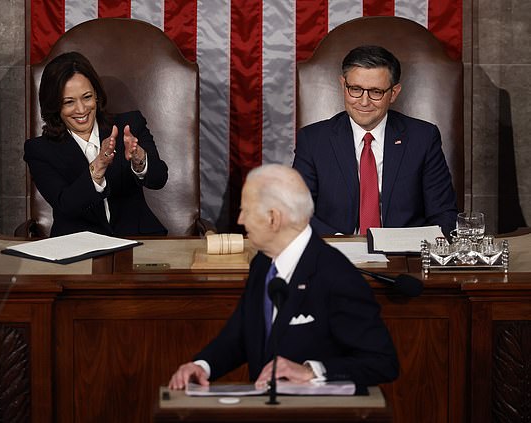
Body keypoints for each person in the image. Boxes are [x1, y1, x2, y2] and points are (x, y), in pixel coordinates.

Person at [168, 164, 398, 392]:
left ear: (273, 219)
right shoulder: (262, 263)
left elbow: (383, 362)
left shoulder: (336, 276)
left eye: (246, 210)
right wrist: (202, 366)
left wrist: (312, 371)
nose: (240, 220)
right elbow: (241, 333)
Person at [293, 45, 458, 236]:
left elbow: (444, 214)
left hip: (405, 258)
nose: (364, 101)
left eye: (376, 92)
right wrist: (341, 244)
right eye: (355, 89)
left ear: (394, 93)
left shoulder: (423, 138)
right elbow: (297, 212)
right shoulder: (313, 140)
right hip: (335, 255)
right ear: (342, 86)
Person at [24, 51, 168, 237]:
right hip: (78, 248)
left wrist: (140, 160)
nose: (82, 110)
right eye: (69, 102)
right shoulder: (40, 150)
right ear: (54, 106)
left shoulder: (129, 125)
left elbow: (159, 179)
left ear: (97, 95)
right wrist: (98, 167)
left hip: (138, 240)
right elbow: (66, 204)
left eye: (87, 97)